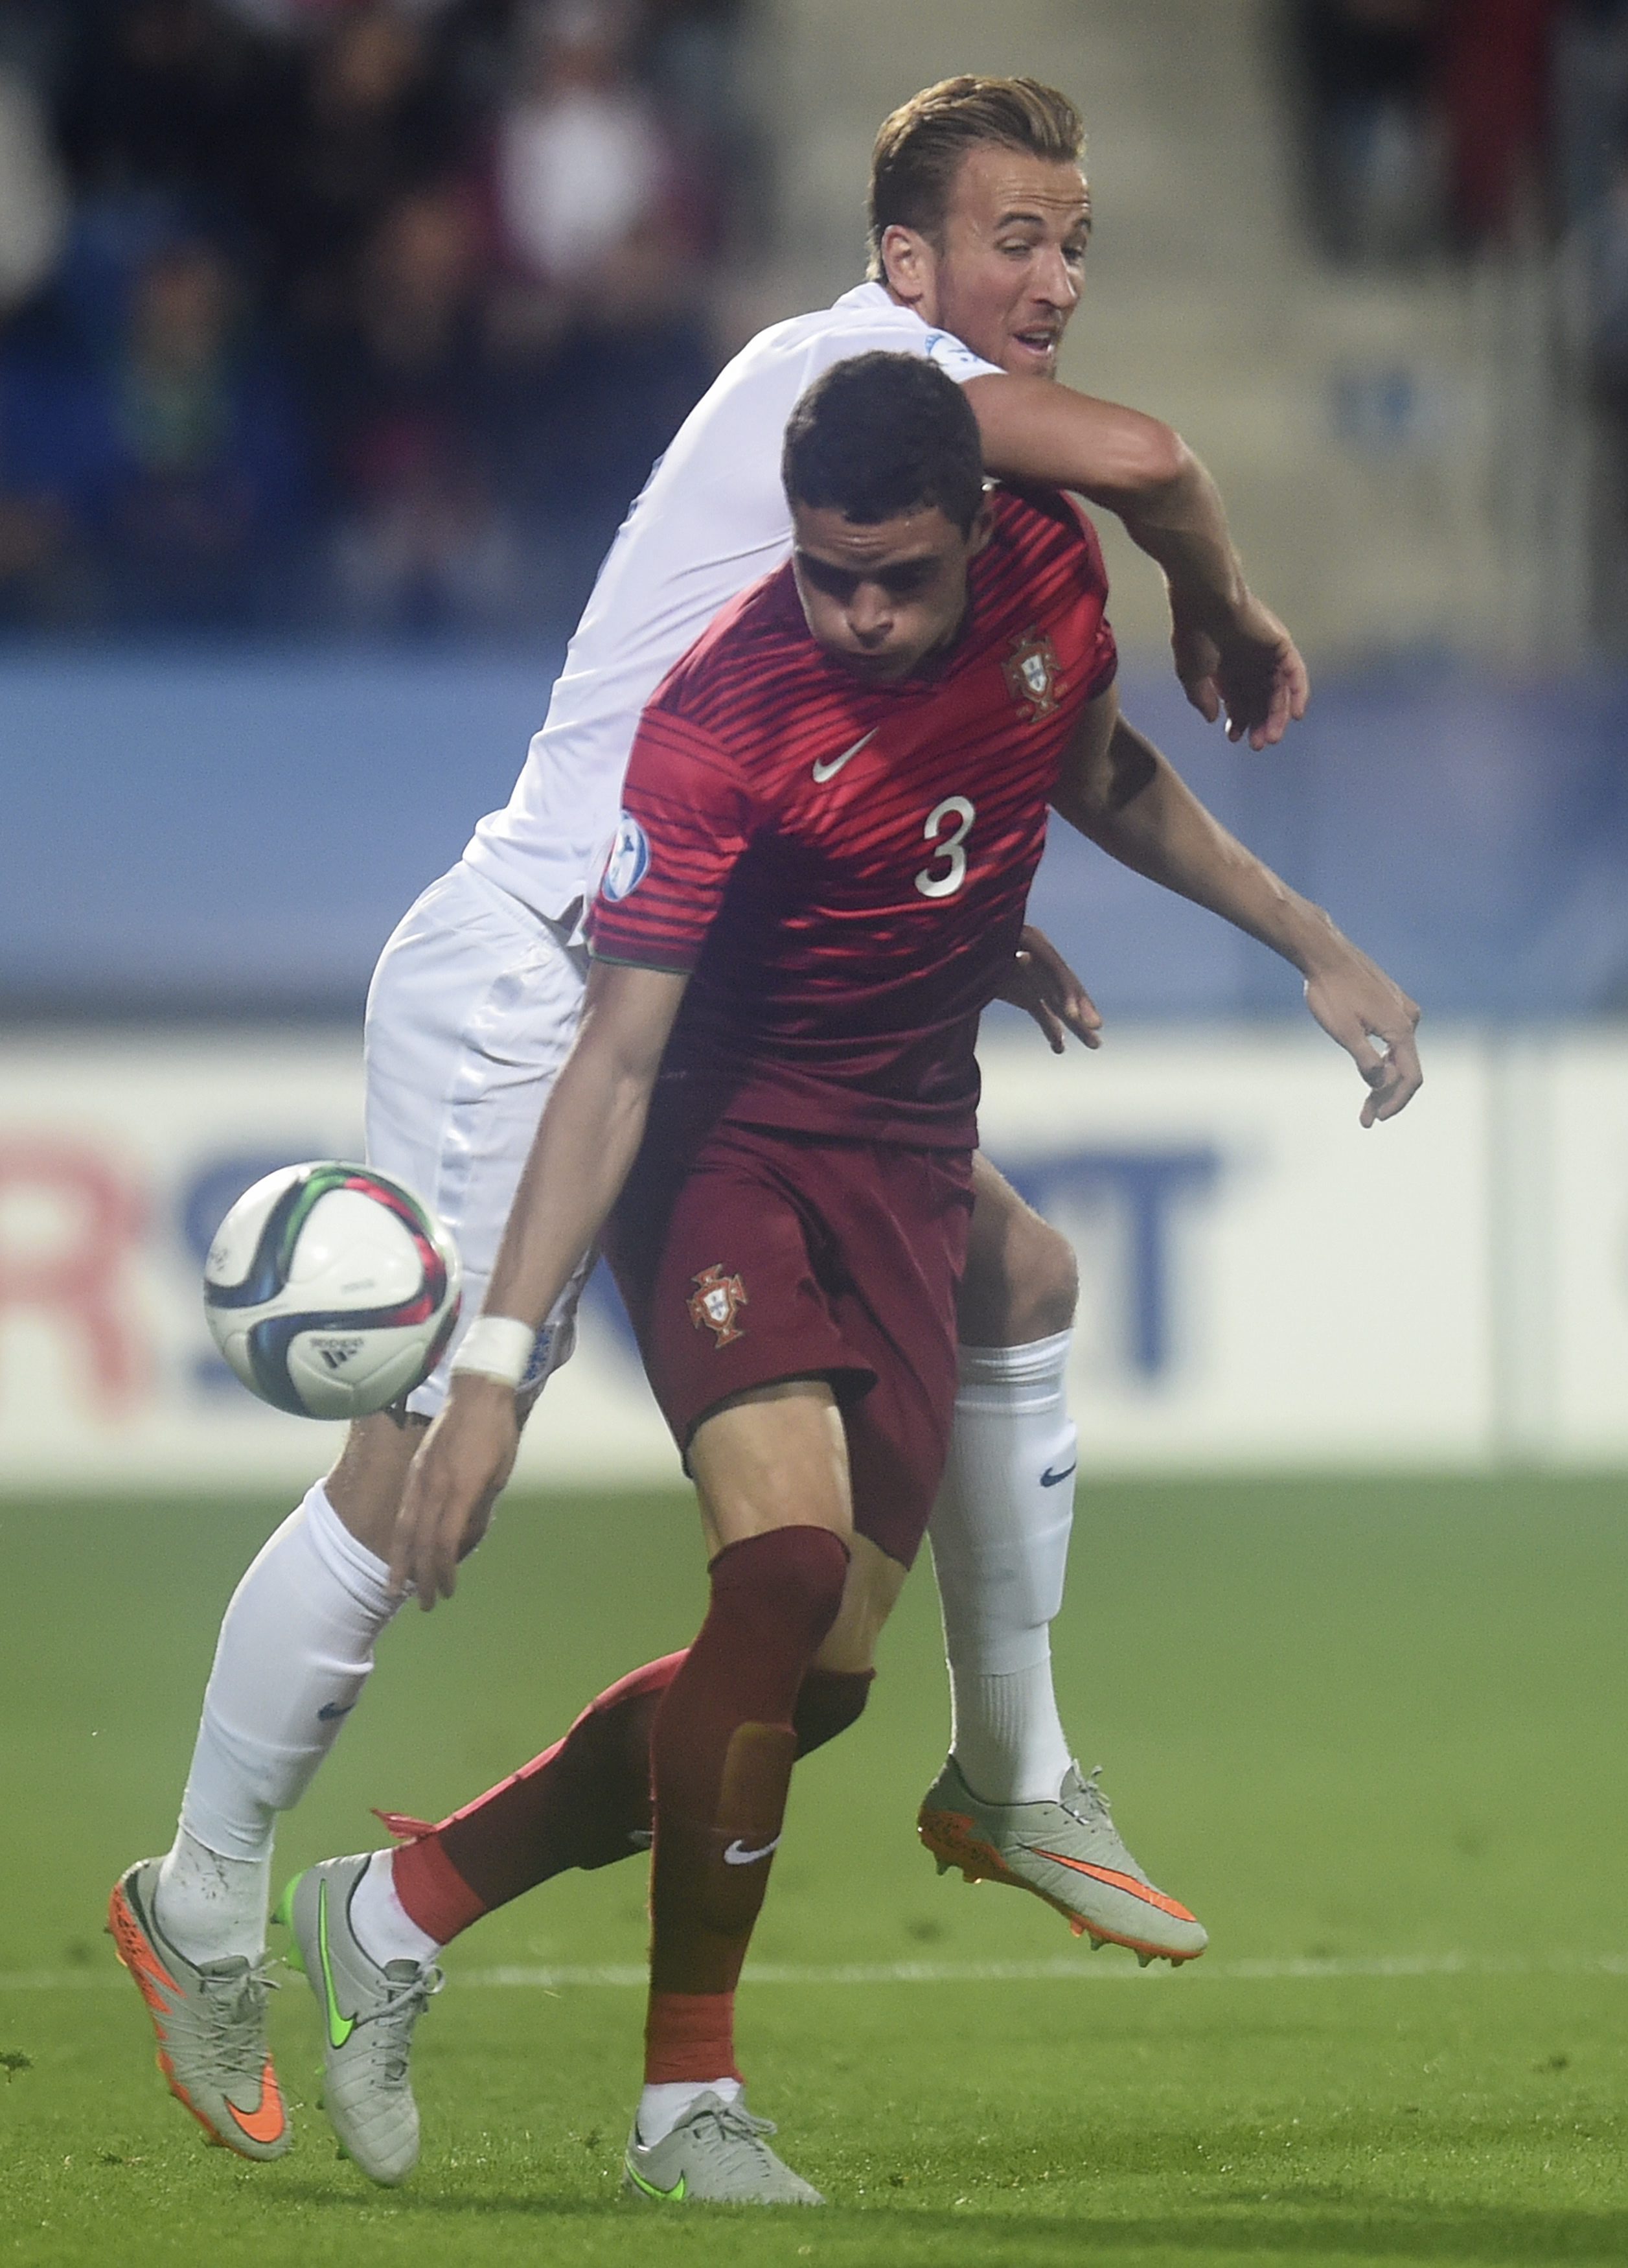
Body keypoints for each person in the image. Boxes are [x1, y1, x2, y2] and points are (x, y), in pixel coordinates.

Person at [109, 74, 1314, 2164]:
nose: (1053, 280)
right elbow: (1148, 458)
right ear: (906, 261)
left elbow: (920, 722)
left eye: (1074, 242)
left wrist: (958, 904)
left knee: (1012, 1267)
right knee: (411, 1469)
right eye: (1014, 239)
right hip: (542, 974)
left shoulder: (893, 444)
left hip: (700, 988)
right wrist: (1219, 599)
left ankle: (1004, 1766)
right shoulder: (845, 376)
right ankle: (205, 1890)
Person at [275, 353, 1420, 2204]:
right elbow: (614, 1062)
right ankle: (686, 2107)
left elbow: (1093, 769)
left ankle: (396, 1906)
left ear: (979, 526)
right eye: (827, 574)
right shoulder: (716, 717)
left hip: (908, 1146)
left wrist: (1310, 938)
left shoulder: (1050, 574)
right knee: (785, 1566)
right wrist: (489, 1369)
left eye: (899, 577)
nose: (862, 614)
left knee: (805, 1686)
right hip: (722, 1142)